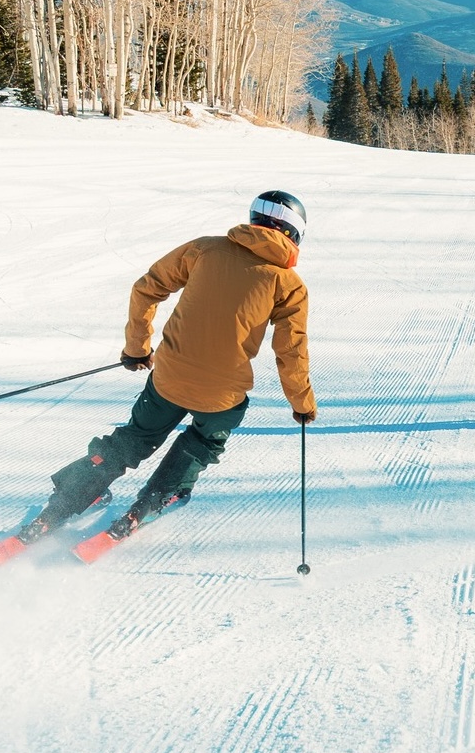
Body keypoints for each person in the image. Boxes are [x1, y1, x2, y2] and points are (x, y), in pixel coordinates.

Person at [18, 190, 318, 544]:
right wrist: (302, 403)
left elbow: (147, 288)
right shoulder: (289, 285)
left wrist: (137, 349)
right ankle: (153, 500)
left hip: (168, 378)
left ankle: (69, 498)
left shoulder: (205, 248)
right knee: (202, 442)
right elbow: (291, 350)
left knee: (134, 438)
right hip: (222, 395)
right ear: (294, 232)